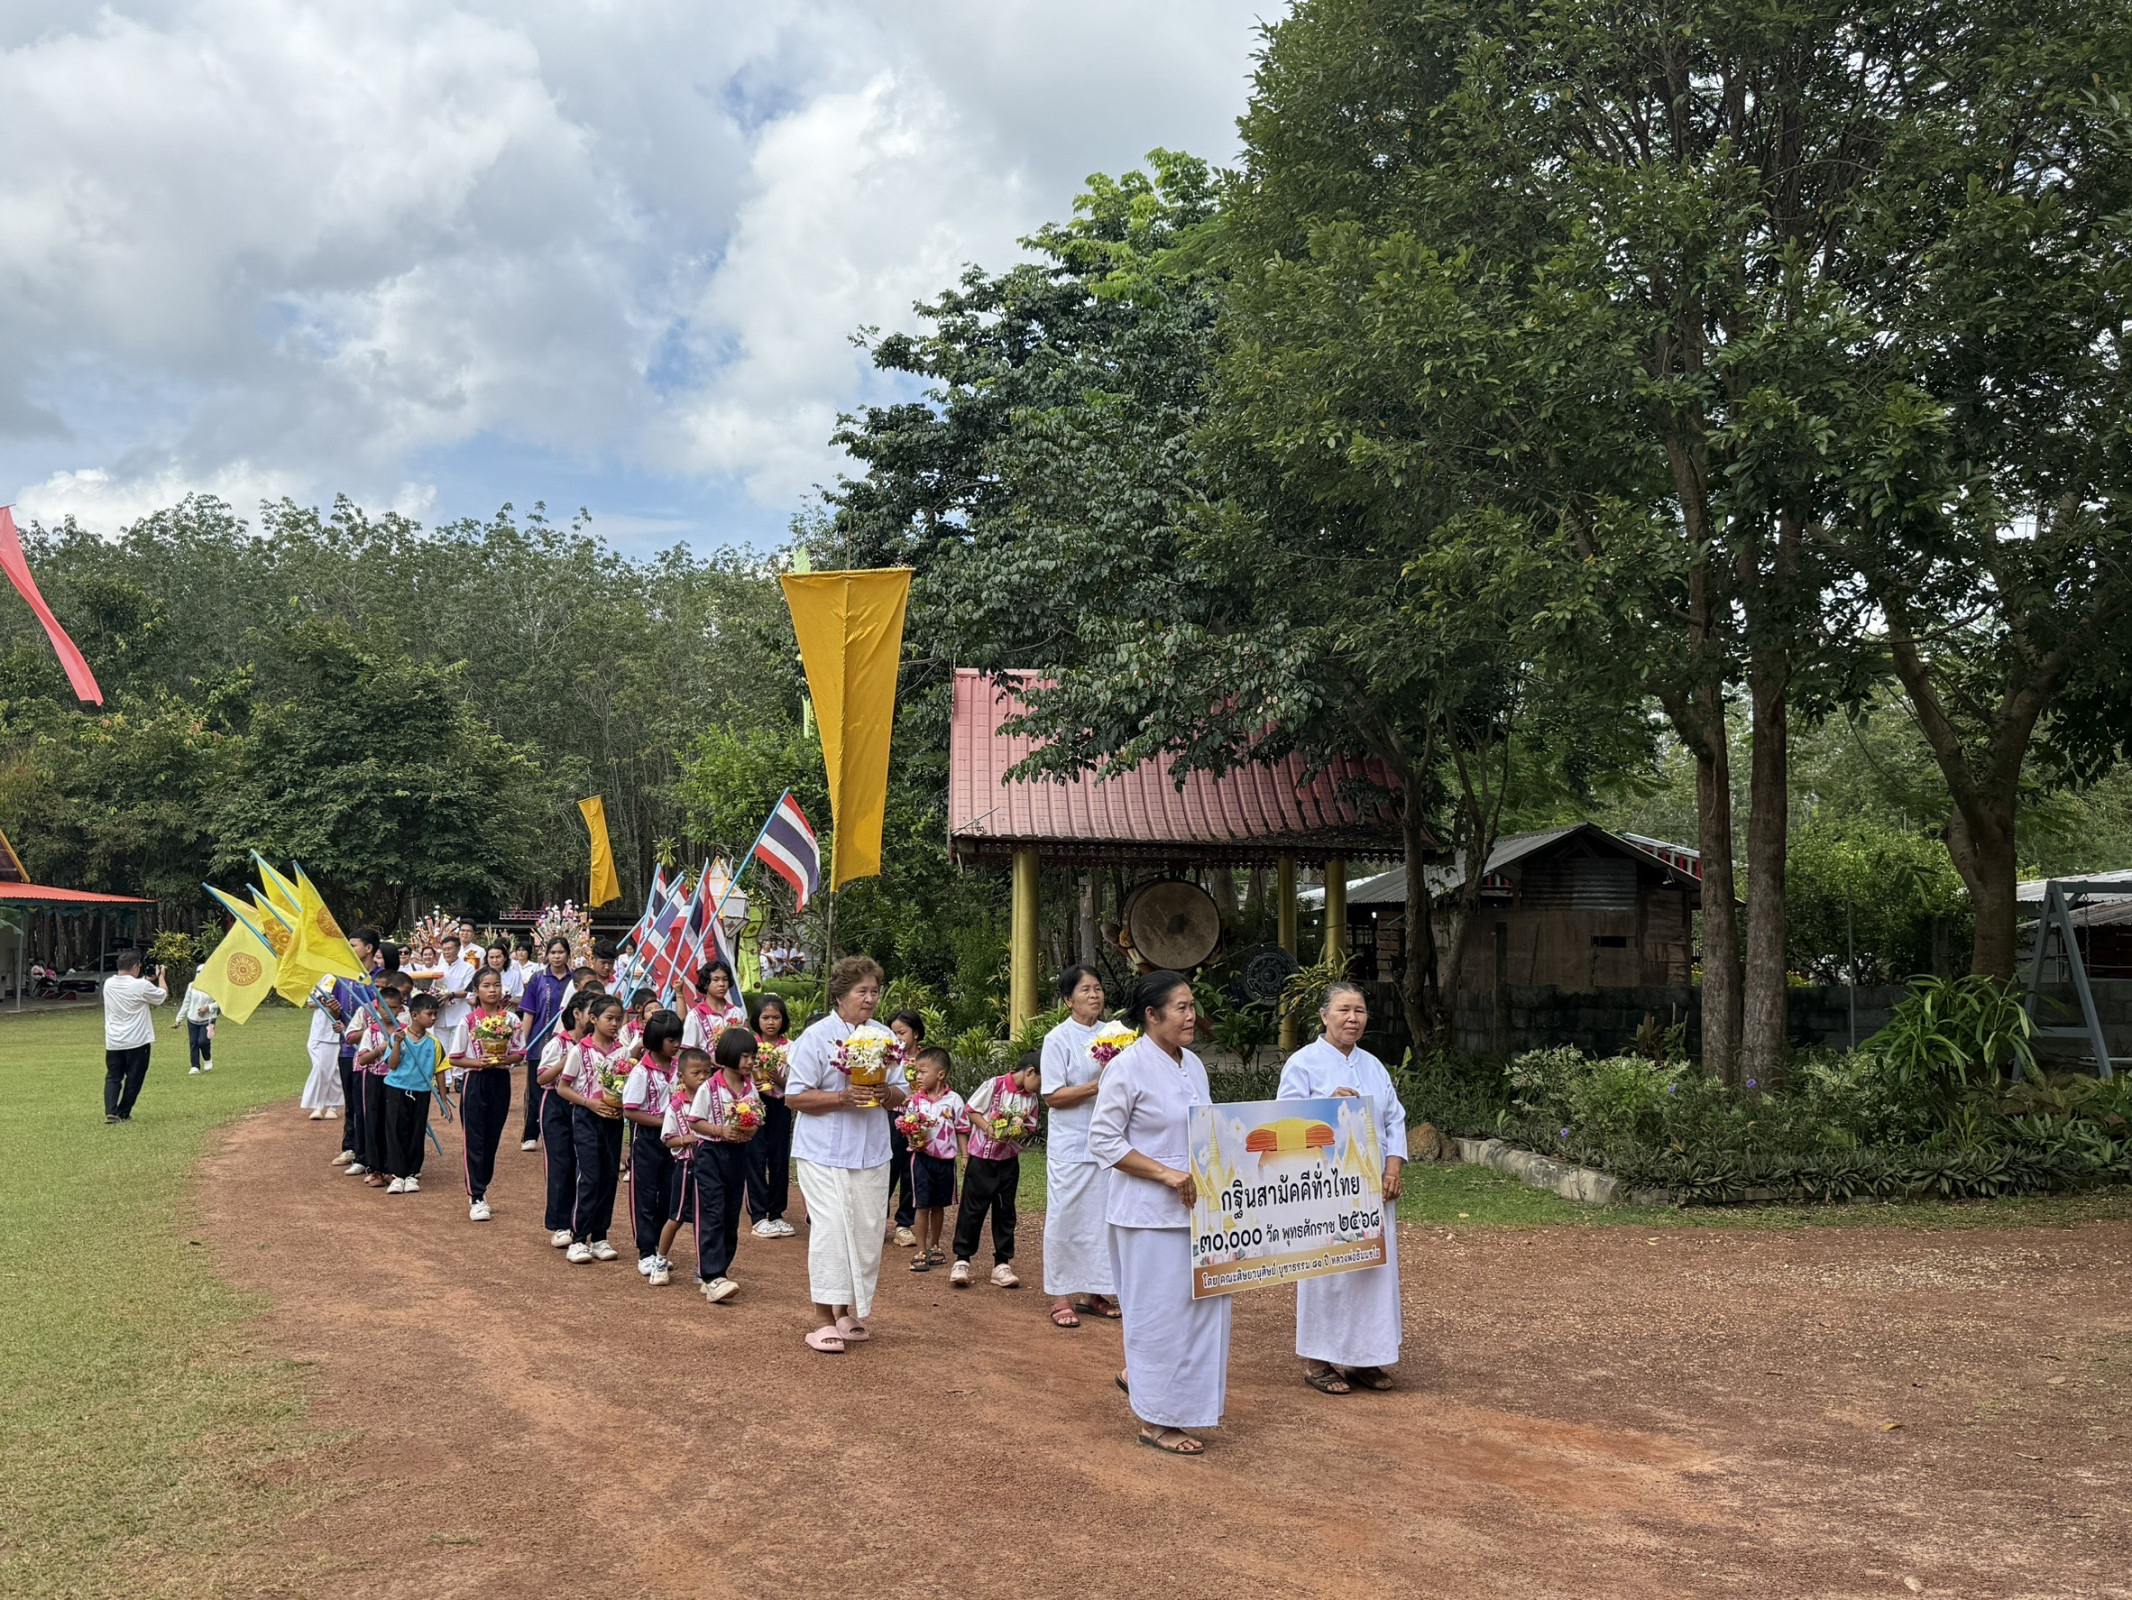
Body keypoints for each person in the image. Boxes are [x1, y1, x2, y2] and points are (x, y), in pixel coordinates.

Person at [1089, 969, 1229, 1457]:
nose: (1192, 1016)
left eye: (1193, 1006)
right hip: (1147, 1216)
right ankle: (1153, 1420)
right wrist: (1166, 1175)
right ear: (1152, 1016)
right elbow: (1104, 1140)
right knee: (1157, 1316)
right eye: (1182, 1008)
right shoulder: (1125, 1068)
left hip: (1198, 1215)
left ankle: (1180, 1405)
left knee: (1199, 1314)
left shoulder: (1193, 1064)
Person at [1278, 982, 1408, 1394]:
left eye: (1360, 1011)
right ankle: (1318, 1359)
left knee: (1371, 1270)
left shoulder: (1373, 1065)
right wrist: (1326, 1105)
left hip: (1372, 1183)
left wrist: (1392, 1168)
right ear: (1324, 1016)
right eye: (1344, 1010)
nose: (1353, 1018)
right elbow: (1284, 1122)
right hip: (1325, 1185)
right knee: (1327, 1269)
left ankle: (1363, 1358)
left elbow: (1394, 1120)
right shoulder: (1303, 1064)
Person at [785, 955, 907, 1353]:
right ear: (841, 994)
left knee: (865, 1231)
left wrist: (885, 1093)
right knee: (832, 1229)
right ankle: (821, 1318)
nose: (870, 998)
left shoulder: (885, 1037)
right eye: (862, 991)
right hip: (822, 1151)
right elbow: (794, 1096)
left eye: (874, 991)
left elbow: (902, 1090)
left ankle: (844, 1311)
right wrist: (841, 1096)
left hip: (871, 1150)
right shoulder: (816, 1037)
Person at [1041, 964, 1118, 1327]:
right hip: (1071, 1143)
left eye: (1098, 988)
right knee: (1065, 1218)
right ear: (1068, 999)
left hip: (1109, 1143)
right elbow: (1052, 1096)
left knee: (1103, 1220)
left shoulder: (1117, 1035)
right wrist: (1095, 1086)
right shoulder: (1058, 1039)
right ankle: (1059, 1294)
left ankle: (1096, 1291)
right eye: (1086, 990)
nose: (1094, 995)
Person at [950, 1050, 1040, 1289]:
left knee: (1005, 1212)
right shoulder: (995, 1085)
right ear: (1030, 1071)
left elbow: (1031, 1126)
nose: (1041, 1088)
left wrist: (1015, 1131)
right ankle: (962, 1260)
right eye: (1041, 1080)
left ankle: (1002, 1263)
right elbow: (971, 1109)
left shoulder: (1031, 1098)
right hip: (981, 1159)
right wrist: (989, 1128)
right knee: (972, 1209)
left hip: (1008, 1161)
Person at [687, 1029, 763, 1303]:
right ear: (729, 1054)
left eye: (753, 1056)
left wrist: (750, 1130)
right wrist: (720, 1130)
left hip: (738, 1152)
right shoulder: (710, 1086)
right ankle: (711, 1274)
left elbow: (755, 1119)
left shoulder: (749, 1087)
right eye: (745, 1056)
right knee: (712, 1210)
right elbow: (695, 1120)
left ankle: (720, 1270)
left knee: (731, 1213)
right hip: (711, 1153)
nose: (750, 1062)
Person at [448, 966, 526, 1222]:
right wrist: (479, 1063)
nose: (492, 990)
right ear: (476, 991)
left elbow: (519, 1053)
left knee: (492, 1137)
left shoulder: (511, 1020)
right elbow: (456, 1058)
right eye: (486, 986)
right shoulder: (468, 1021)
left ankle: (484, 1186)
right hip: (476, 1081)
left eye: (496, 985)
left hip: (500, 1080)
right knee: (474, 1137)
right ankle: (476, 1195)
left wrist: (506, 1059)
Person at [557, 994, 628, 1263]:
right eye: (609, 1019)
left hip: (613, 1118)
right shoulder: (580, 1050)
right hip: (586, 1117)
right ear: (593, 1019)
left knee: (610, 1176)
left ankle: (600, 1236)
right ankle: (578, 1238)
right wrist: (589, 1103)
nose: (614, 1024)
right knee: (589, 1176)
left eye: (618, 1019)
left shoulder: (622, 1051)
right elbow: (562, 1088)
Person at [623, 1009, 686, 1282]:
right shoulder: (641, 1071)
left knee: (668, 1194)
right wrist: (664, 1122)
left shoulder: (679, 1069)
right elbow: (630, 1110)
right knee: (645, 1196)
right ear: (656, 1039)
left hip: (672, 1142)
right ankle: (645, 1251)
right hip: (648, 1139)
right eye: (671, 1040)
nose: (676, 1044)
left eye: (678, 1039)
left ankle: (660, 1250)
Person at [896, 1046, 964, 1272]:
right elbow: (907, 1125)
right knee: (921, 1205)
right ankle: (921, 1250)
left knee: (938, 1205)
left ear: (941, 1075)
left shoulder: (954, 1100)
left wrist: (965, 1156)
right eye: (917, 1072)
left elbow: (962, 1129)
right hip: (922, 1159)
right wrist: (910, 1137)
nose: (918, 1076)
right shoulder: (916, 1101)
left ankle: (935, 1246)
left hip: (945, 1161)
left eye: (923, 1072)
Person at [654, 1047, 715, 1285]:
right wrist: (686, 1139)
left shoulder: (712, 1101)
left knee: (706, 1218)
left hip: (709, 1166)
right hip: (685, 1165)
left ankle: (704, 1265)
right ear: (682, 1077)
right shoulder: (676, 1106)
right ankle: (660, 1259)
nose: (703, 1078)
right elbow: (667, 1139)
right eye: (696, 1073)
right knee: (676, 1217)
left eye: (707, 1073)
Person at [537, 991, 592, 1247]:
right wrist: (565, 1062)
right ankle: (559, 1224)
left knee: (585, 1165)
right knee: (560, 1162)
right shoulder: (558, 1043)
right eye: (591, 1011)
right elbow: (542, 1078)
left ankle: (580, 1222)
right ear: (577, 1014)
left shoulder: (596, 1045)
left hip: (584, 1105)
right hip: (557, 1105)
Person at [380, 991, 444, 1194]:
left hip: (421, 1091)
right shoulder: (398, 1036)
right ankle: (397, 1174)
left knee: (417, 1132)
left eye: (435, 1014)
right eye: (429, 1014)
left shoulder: (434, 1042)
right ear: (414, 1015)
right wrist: (397, 1043)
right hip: (397, 1089)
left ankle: (412, 1173)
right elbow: (392, 1064)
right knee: (396, 1131)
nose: (433, 1018)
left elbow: (440, 1070)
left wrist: (442, 1099)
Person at [745, 993, 797, 1238]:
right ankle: (758, 1215)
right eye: (765, 1017)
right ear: (757, 1019)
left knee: (779, 1159)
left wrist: (781, 1080)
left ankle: (776, 1213)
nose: (771, 1022)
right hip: (754, 1105)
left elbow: (798, 1083)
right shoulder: (748, 1045)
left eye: (776, 1017)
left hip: (780, 1105)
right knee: (755, 1157)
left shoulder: (791, 1047)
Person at [350, 977, 409, 1186]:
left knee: (393, 1124)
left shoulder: (406, 1031)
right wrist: (382, 1048)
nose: (387, 1012)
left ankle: (393, 1168)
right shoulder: (370, 1031)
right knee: (373, 1122)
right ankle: (375, 1169)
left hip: (398, 1082)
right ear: (377, 1007)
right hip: (375, 1081)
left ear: (400, 1009)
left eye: (393, 1008)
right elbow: (362, 1059)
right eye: (383, 1008)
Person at [519, 936, 574, 1150]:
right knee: (536, 1089)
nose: (557, 956)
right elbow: (529, 1014)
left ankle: (560, 1133)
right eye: (553, 952)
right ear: (546, 955)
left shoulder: (575, 979)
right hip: (540, 1042)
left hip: (568, 1043)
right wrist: (523, 1044)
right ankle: (531, 1134)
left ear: (568, 954)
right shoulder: (537, 979)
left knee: (565, 1086)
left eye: (561, 952)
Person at [101, 950, 167, 1123]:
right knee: (134, 1078)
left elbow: (131, 986)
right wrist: (161, 977)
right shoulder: (140, 986)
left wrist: (146, 981)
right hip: (137, 1041)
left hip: (114, 1041)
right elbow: (161, 996)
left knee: (113, 1076)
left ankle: (111, 1110)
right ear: (136, 967)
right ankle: (123, 1111)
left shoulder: (108, 984)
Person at [882, 1009, 926, 1247]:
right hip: (891, 1118)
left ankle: (904, 1224)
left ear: (916, 1033)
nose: (898, 1038)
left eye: (902, 1033)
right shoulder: (887, 1058)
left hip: (918, 1123)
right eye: (894, 1033)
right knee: (886, 1169)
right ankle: (878, 1221)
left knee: (911, 1172)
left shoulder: (927, 1059)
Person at [300, 975, 348, 1121]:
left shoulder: (348, 978)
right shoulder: (326, 977)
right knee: (320, 1067)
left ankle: (333, 1106)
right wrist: (325, 1001)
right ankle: (318, 1105)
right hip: (320, 1029)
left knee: (335, 1070)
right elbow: (311, 1002)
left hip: (341, 1029)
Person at [682, 960, 748, 1051]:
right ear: (705, 984)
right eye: (716, 980)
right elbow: (687, 1050)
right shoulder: (695, 1016)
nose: (721, 984)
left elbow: (746, 1043)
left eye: (725, 979)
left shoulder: (736, 1012)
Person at [435, 934, 476, 1053]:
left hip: (459, 1014)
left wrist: (451, 994)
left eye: (449, 949)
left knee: (457, 1050)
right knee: (441, 1050)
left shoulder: (468, 968)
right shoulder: (438, 969)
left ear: (458, 950)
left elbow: (468, 990)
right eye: (444, 949)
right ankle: (444, 1072)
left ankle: (458, 1072)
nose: (446, 952)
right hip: (441, 1016)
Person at [174, 978, 218, 1077]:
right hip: (192, 1018)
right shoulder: (192, 985)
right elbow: (186, 1002)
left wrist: (207, 1008)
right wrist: (179, 1019)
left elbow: (220, 1002)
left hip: (208, 1019)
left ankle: (207, 1058)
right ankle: (195, 1066)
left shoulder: (214, 985)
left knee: (203, 1041)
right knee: (193, 1042)